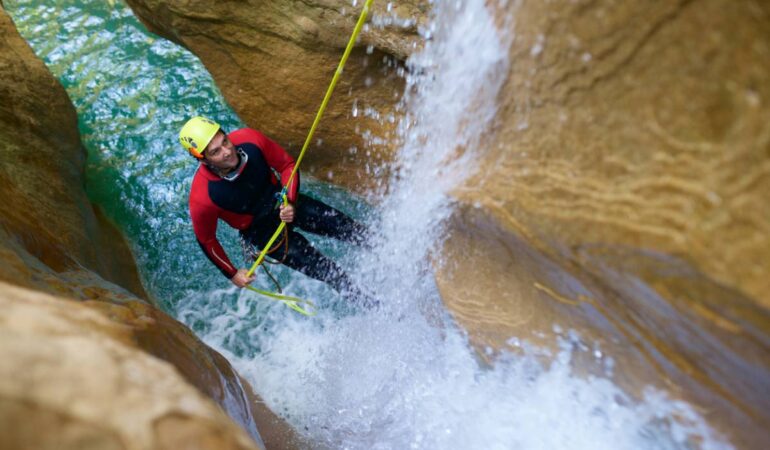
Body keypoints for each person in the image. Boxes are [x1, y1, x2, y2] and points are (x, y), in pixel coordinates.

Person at [179, 116, 370, 300]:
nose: (227, 151)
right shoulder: (203, 197)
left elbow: (287, 165)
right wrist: (232, 273)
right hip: (263, 232)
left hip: (284, 201)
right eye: (215, 152)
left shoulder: (250, 140)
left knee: (351, 229)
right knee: (328, 272)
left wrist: (289, 200)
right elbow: (206, 239)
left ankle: (393, 252)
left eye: (225, 141)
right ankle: (374, 305)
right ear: (203, 160)